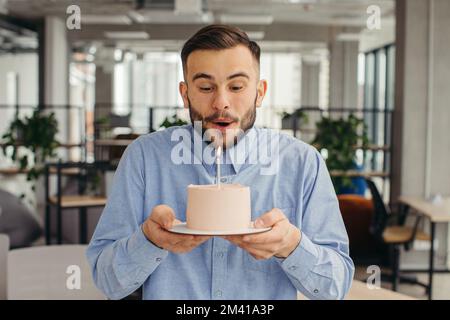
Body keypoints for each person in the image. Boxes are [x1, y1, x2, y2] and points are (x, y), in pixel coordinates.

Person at [87, 24, 354, 300]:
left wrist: (291, 244)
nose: (221, 102)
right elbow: (108, 282)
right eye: (205, 87)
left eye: (237, 86)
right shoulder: (143, 158)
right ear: (185, 93)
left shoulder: (302, 163)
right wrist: (149, 240)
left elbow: (335, 288)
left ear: (260, 93)